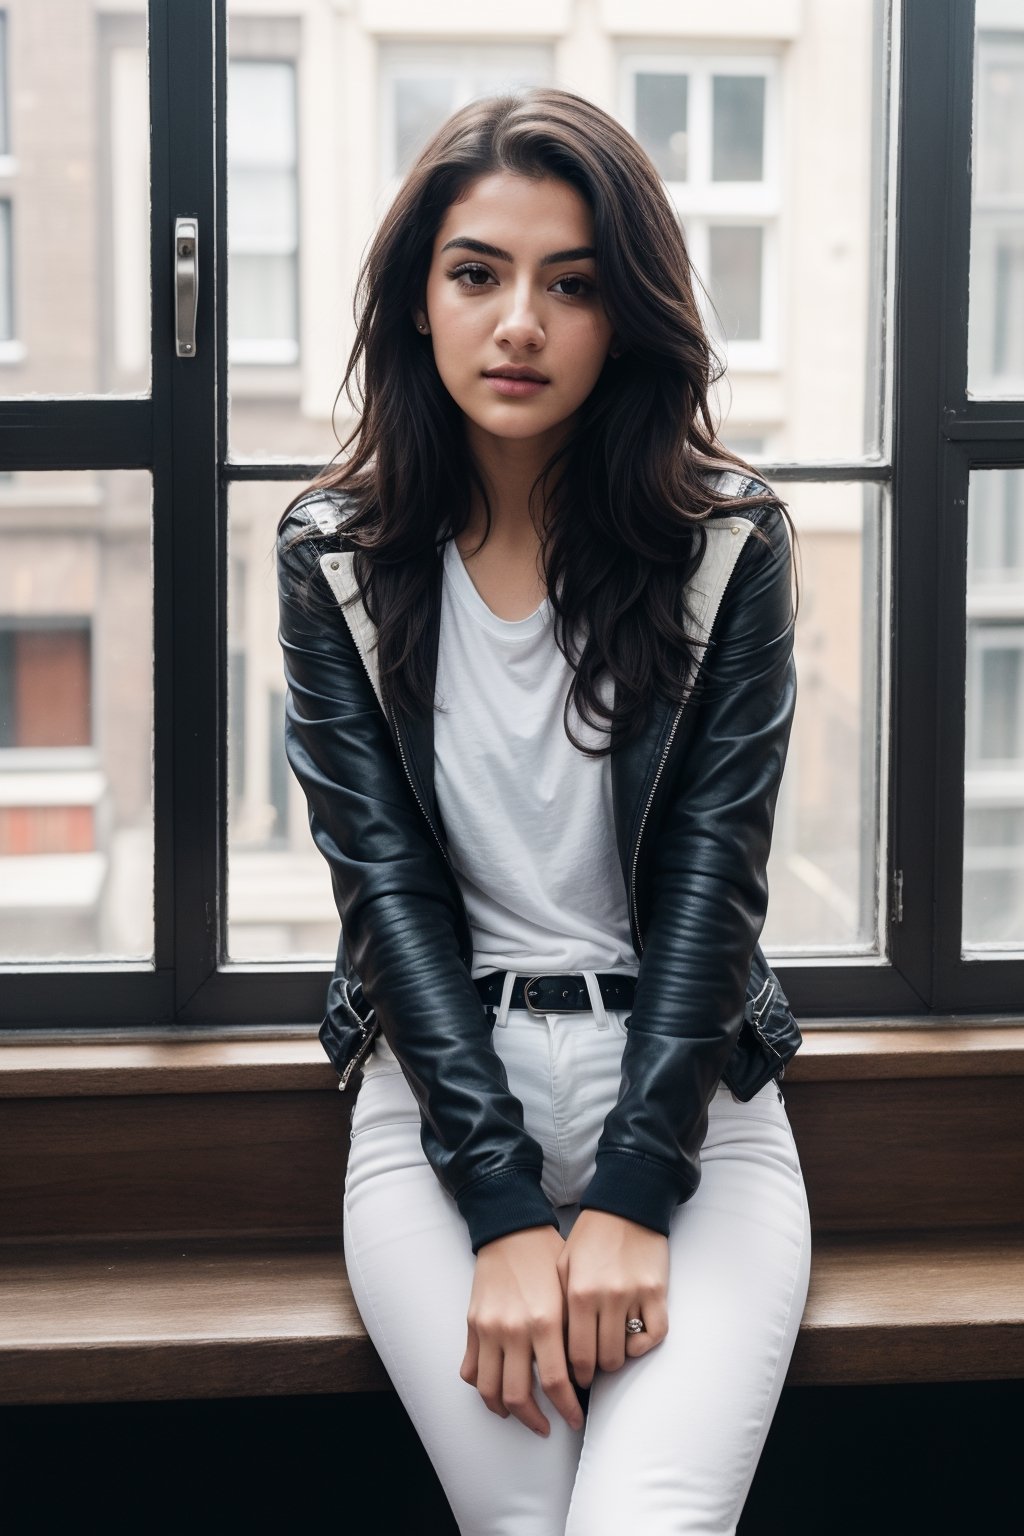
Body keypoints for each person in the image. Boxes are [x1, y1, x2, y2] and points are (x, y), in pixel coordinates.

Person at [277, 87, 811, 1536]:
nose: (519, 321)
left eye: (571, 285)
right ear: (419, 300)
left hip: (690, 1101)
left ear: (626, 317)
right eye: (477, 273)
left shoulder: (726, 545)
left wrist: (637, 1193)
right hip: (442, 1109)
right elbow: (383, 894)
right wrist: (504, 1213)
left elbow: (716, 878)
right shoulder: (333, 555)